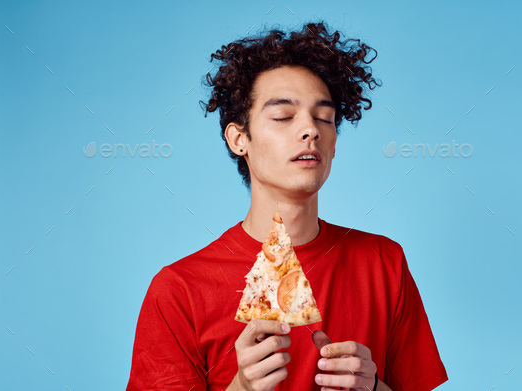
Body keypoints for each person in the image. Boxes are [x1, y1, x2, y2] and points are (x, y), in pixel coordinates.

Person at [126, 21, 448, 391]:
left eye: (324, 118)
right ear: (239, 139)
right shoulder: (178, 290)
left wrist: (374, 388)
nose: (310, 130)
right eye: (283, 116)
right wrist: (241, 388)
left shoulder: (383, 262)